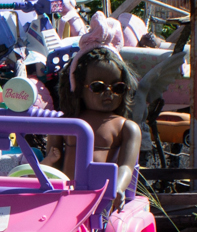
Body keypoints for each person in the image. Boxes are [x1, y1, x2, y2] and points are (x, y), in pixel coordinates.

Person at [55, 45, 142, 199]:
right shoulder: (65, 123)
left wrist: (118, 188)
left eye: (118, 88)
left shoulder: (126, 128)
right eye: (98, 87)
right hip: (64, 196)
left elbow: (126, 167)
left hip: (102, 198)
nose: (108, 92)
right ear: (78, 88)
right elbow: (51, 163)